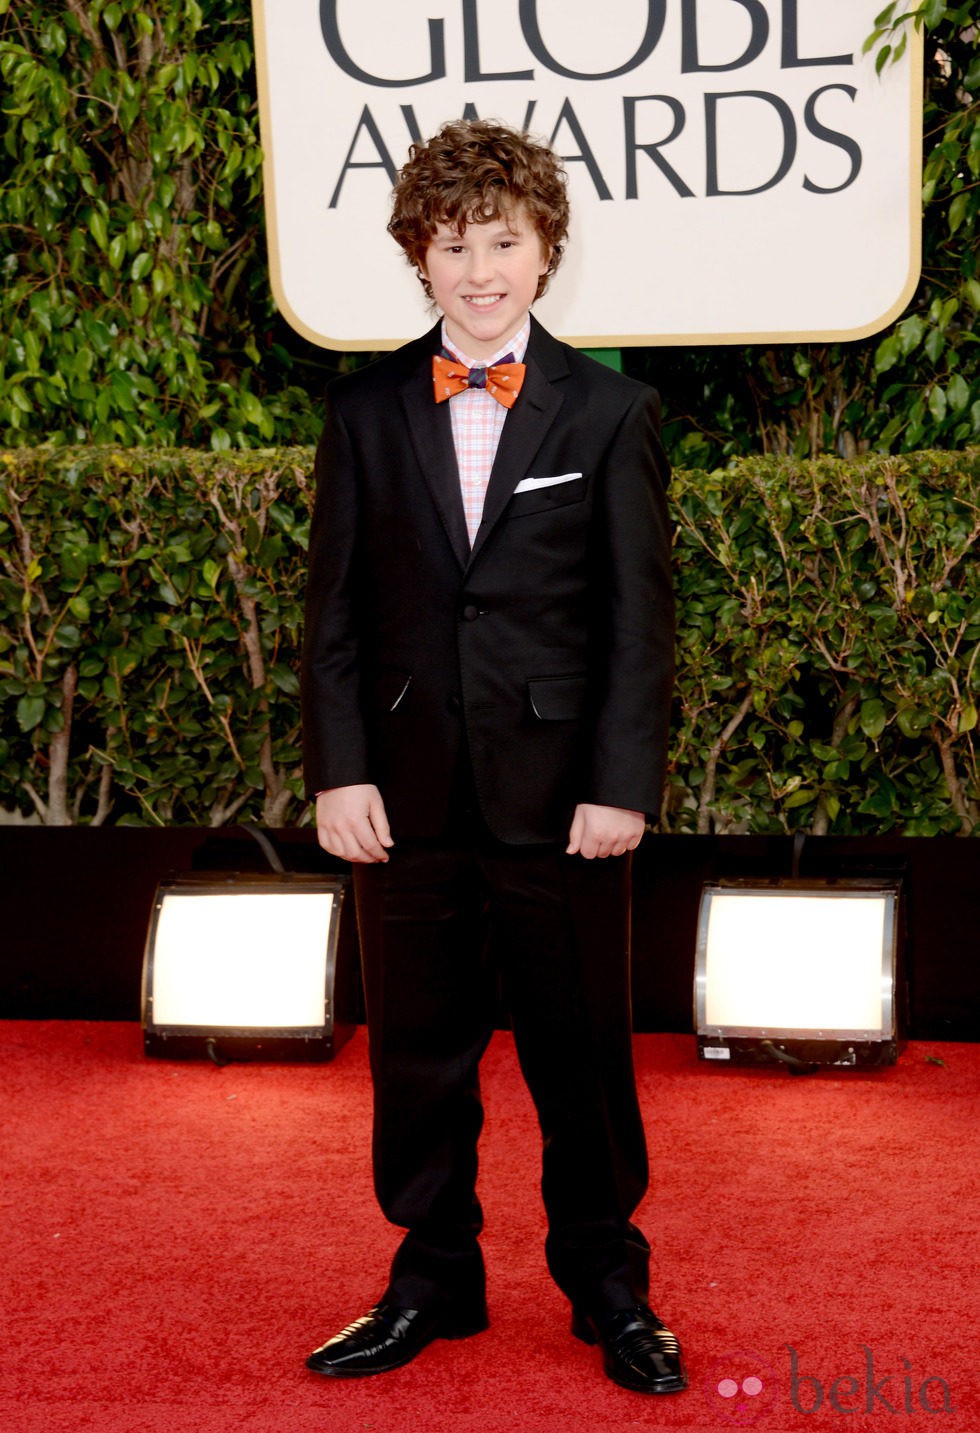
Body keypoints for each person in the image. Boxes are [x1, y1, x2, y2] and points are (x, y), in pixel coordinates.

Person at [300, 118, 683, 1396]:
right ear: (418, 255)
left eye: (502, 243)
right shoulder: (360, 412)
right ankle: (430, 1279)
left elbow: (637, 617)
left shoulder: (612, 410)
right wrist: (338, 768)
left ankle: (609, 1285)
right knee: (416, 1049)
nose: (479, 270)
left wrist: (621, 780)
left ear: (545, 251)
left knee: (581, 1052)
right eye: (453, 244)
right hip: (401, 800)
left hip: (563, 801)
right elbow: (336, 612)